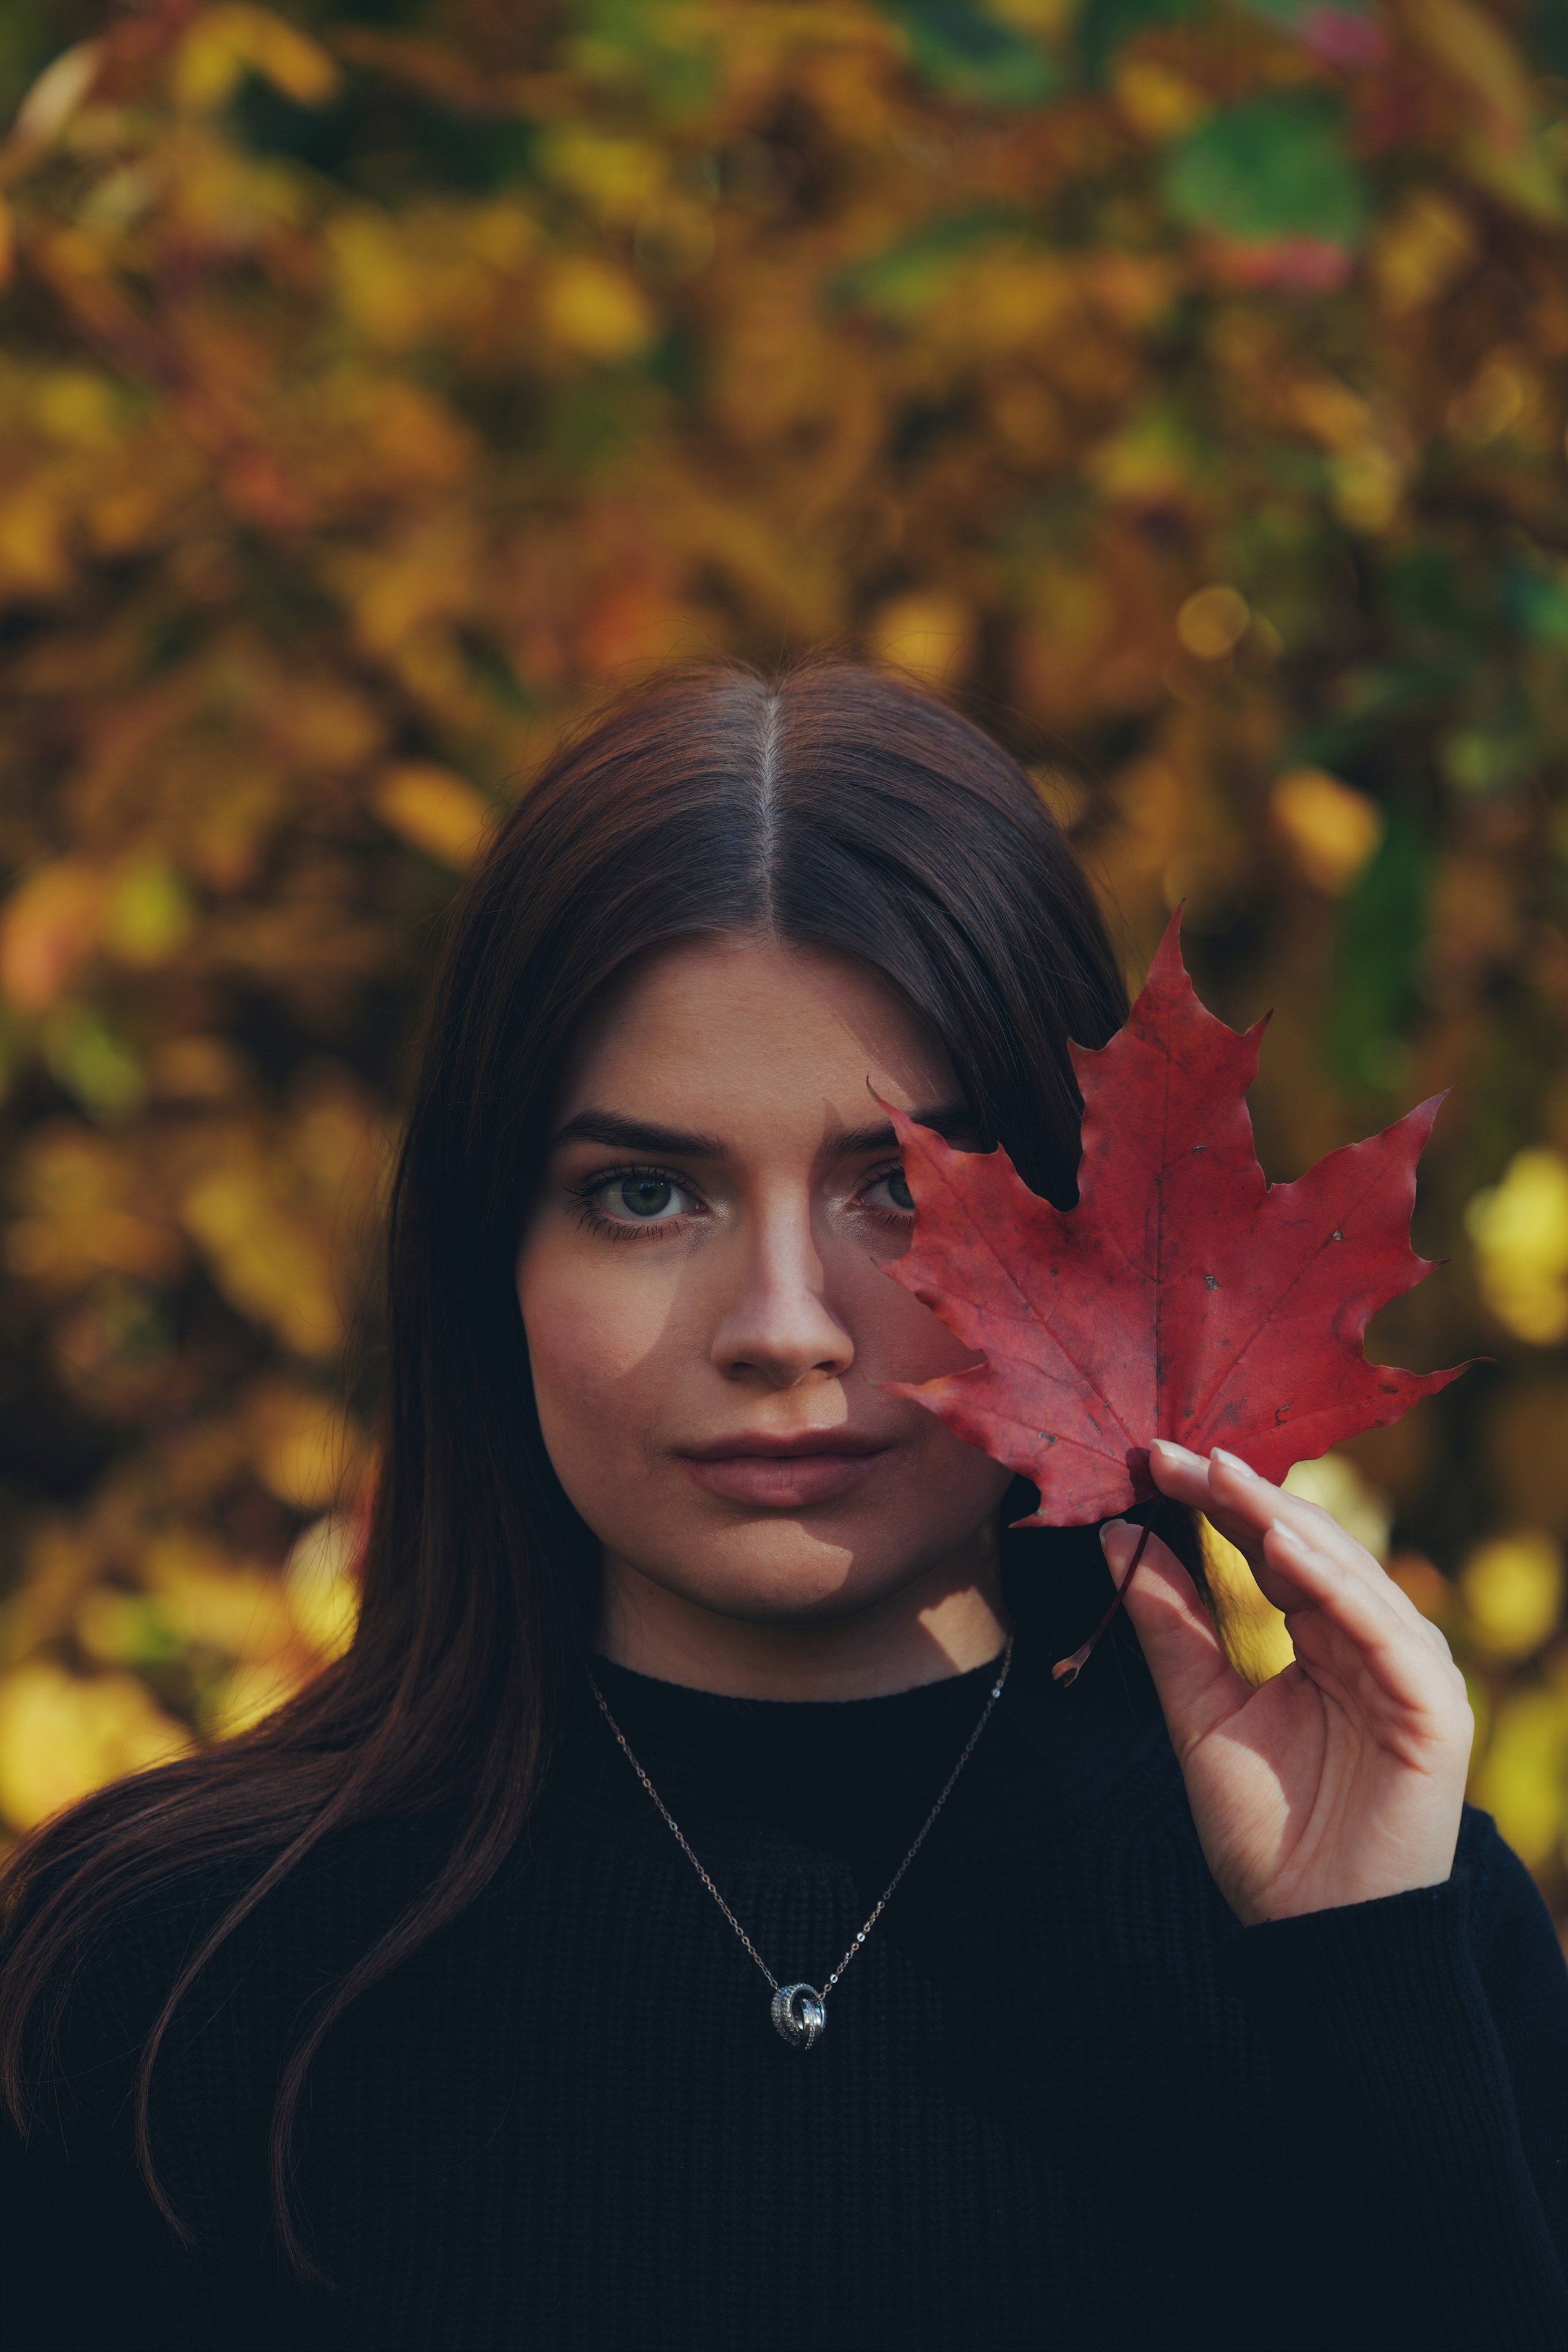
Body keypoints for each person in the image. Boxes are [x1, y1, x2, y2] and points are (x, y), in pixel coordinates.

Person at [2, 662, 1564, 2352]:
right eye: (645, 1193)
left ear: (1097, 1238)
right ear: (487, 1260)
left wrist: (1366, 1988)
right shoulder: (176, 1975)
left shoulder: (1390, 1937)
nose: (781, 1329)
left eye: (899, 1188)